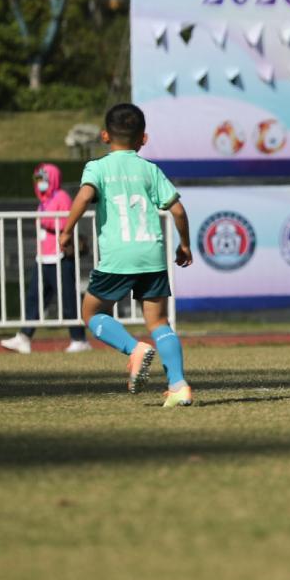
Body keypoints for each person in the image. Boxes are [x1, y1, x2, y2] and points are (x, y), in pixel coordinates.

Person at [57, 104, 195, 407]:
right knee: (159, 322)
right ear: (143, 139)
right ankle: (179, 386)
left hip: (118, 256)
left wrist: (67, 231)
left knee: (92, 313)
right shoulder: (150, 170)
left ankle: (134, 349)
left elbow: (83, 196)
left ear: (105, 136)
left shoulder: (97, 167)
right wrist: (184, 245)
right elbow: (178, 209)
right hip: (151, 253)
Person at [0, 163, 90, 355]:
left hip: (60, 257)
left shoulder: (61, 197)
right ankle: (24, 337)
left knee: (68, 300)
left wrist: (44, 220)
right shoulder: (44, 200)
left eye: (43, 179)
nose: (40, 183)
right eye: (37, 179)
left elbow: (66, 221)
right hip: (44, 257)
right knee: (34, 299)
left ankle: (79, 339)